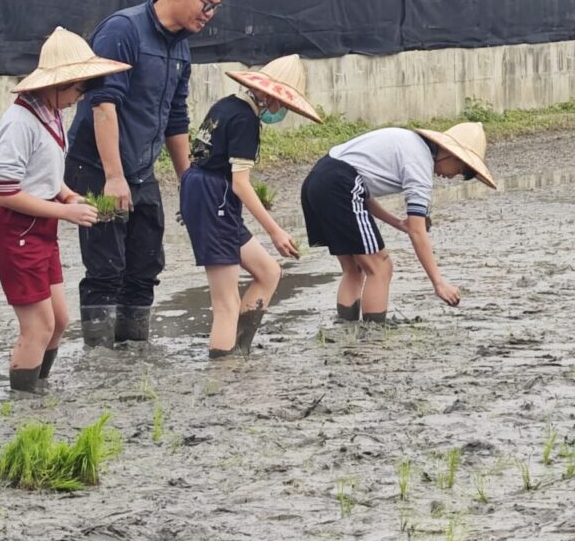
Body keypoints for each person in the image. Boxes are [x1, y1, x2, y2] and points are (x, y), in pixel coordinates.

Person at [63, 0, 226, 347]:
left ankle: (134, 353)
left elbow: (175, 117)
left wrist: (189, 183)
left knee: (145, 267)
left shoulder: (181, 46)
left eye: (216, 9)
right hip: (97, 168)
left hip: (140, 171)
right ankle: (101, 361)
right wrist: (114, 178)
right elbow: (103, 107)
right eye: (206, 5)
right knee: (107, 269)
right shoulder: (124, 31)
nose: (209, 15)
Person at [0, 29, 129, 393]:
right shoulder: (20, 123)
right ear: (58, 83)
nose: (78, 97)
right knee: (38, 326)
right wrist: (64, 213)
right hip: (14, 228)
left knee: (60, 320)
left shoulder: (50, 113)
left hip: (41, 224)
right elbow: (5, 193)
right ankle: (22, 401)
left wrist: (68, 197)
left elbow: (46, 175)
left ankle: (38, 386)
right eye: (78, 89)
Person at [183, 55, 323, 356]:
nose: (281, 111)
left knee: (269, 272)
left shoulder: (226, 105)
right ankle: (223, 372)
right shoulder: (245, 120)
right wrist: (275, 232)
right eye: (283, 105)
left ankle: (239, 348)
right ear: (272, 97)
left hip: (206, 193)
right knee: (226, 303)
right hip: (214, 198)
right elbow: (240, 184)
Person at [299, 121, 496, 320]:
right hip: (338, 187)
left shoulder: (409, 142)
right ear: (450, 154)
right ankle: (373, 336)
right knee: (381, 267)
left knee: (354, 268)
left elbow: (360, 193)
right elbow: (417, 232)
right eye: (461, 169)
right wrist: (439, 283)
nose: (454, 176)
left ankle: (345, 330)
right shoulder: (420, 166)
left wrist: (398, 223)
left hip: (317, 182)